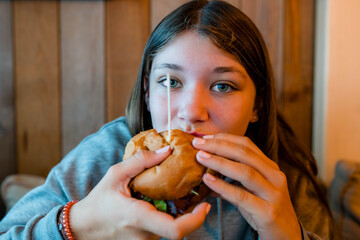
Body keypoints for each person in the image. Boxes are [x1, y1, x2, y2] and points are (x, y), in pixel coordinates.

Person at [0, 0, 333, 239]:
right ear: (147, 93)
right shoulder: (105, 156)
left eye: (222, 85)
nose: (191, 111)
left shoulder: (284, 179)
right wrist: (78, 225)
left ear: (257, 105)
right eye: (171, 82)